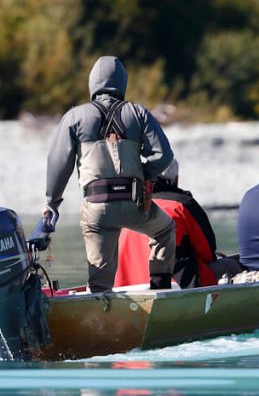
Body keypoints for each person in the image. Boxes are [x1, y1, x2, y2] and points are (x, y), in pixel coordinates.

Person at [43, 56, 176, 292]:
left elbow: (58, 163)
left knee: (100, 281)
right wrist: (142, 175)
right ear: (122, 83)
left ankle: (100, 305)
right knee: (164, 230)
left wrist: (52, 203)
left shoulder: (74, 117)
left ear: (92, 83)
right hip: (134, 205)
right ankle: (160, 289)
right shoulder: (138, 113)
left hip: (97, 208)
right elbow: (163, 155)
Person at [116, 159, 219, 289]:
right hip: (174, 287)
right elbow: (208, 253)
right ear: (176, 179)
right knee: (228, 266)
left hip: (125, 288)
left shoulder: (126, 210)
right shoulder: (182, 205)